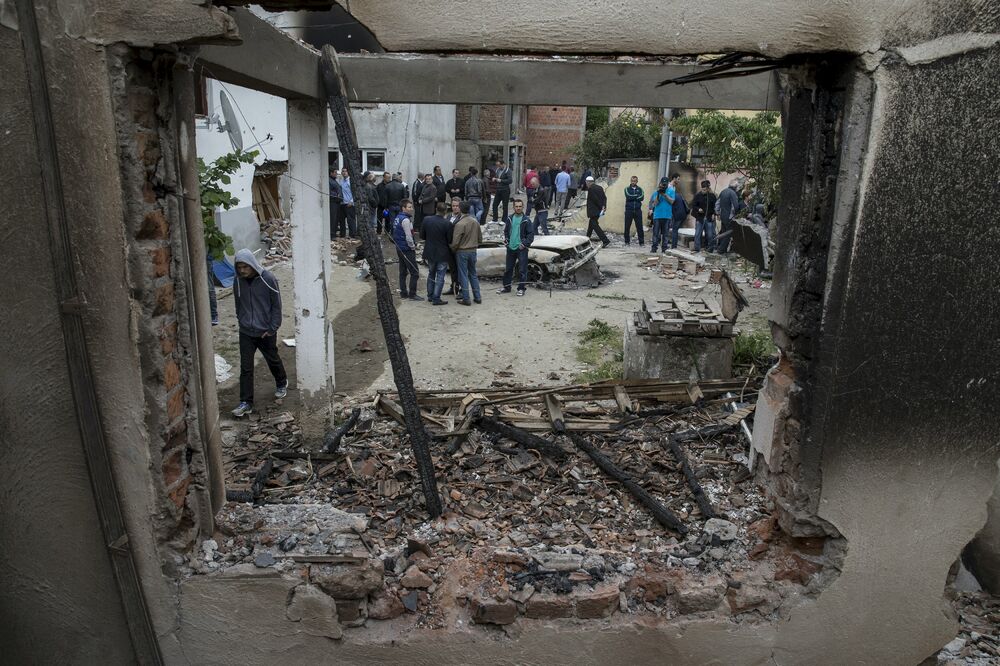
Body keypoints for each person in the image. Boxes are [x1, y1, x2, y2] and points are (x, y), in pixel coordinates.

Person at [231, 248, 287, 417]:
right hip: (246, 332)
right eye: (239, 267)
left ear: (252, 265)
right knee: (246, 368)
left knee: (272, 359)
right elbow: (238, 303)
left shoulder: (268, 279)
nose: (242, 270)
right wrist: (242, 321)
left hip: (266, 332)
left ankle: (281, 382)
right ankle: (246, 402)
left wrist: (272, 328)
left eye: (245, 267)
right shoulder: (238, 281)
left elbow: (276, 305)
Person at [497, 198, 533, 296]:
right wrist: (507, 241)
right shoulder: (509, 218)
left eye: (520, 206)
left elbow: (530, 235)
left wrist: (524, 244)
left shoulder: (526, 220)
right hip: (510, 248)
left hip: (521, 249)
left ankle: (521, 288)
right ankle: (506, 287)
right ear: (513, 207)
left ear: (523, 207)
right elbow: (506, 231)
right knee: (508, 269)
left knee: (522, 270)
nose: (518, 208)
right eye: (516, 206)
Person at [450, 200, 483, 306]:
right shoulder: (475, 221)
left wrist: (453, 249)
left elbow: (455, 242)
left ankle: (466, 298)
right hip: (473, 251)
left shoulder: (460, 224)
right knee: (473, 274)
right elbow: (480, 239)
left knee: (463, 275)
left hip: (462, 251)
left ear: (460, 209)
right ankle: (477, 297)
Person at [421, 201, 453, 305]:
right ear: (445, 212)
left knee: (431, 273)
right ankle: (436, 298)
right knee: (440, 276)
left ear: (436, 209)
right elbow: (450, 240)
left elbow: (422, 236)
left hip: (430, 251)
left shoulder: (427, 220)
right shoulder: (448, 224)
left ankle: (430, 295)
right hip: (442, 253)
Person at [391, 199, 422, 300]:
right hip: (406, 249)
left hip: (399, 248)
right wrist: (413, 247)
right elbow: (408, 236)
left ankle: (403, 293)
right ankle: (412, 294)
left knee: (403, 271)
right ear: (403, 208)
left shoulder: (397, 218)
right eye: (409, 207)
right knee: (415, 272)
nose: (411, 209)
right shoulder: (405, 220)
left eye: (411, 207)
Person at [717, 179, 744, 254]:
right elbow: (735, 206)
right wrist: (736, 215)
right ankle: (721, 249)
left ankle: (720, 247)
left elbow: (717, 203)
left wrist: (717, 213)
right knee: (728, 233)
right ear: (735, 186)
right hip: (729, 217)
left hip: (723, 216)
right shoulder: (733, 193)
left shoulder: (723, 191)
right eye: (738, 186)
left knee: (723, 231)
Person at [648, 176, 673, 253]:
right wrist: (659, 194)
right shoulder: (656, 192)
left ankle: (664, 248)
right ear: (660, 183)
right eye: (663, 184)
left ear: (668, 184)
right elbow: (654, 204)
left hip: (667, 215)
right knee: (656, 233)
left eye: (665, 184)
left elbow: (672, 202)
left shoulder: (671, 191)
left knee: (665, 234)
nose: (664, 185)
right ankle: (654, 248)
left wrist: (665, 195)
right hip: (657, 215)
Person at [691, 179, 717, 253]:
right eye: (703, 189)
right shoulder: (698, 196)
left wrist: (714, 214)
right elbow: (694, 205)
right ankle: (697, 248)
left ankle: (710, 248)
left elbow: (715, 206)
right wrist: (698, 209)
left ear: (708, 189)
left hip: (709, 218)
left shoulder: (712, 196)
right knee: (697, 234)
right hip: (700, 218)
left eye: (705, 189)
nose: (704, 191)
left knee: (710, 234)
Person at [584, 176, 610, 247]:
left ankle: (605, 240)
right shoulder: (599, 188)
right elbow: (604, 198)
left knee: (595, 226)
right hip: (599, 210)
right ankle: (586, 240)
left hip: (593, 211)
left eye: (586, 182)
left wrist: (600, 207)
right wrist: (604, 206)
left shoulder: (591, 189)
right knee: (591, 225)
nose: (586, 184)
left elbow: (595, 200)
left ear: (589, 182)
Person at [668, 175, 689, 250]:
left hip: (676, 213)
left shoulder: (673, 189)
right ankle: (671, 245)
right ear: (674, 179)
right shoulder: (670, 188)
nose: (679, 181)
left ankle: (673, 246)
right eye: (678, 179)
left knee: (674, 229)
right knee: (673, 229)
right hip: (677, 213)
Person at [623, 175, 645, 246]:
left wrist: (634, 197)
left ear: (637, 181)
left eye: (635, 181)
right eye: (632, 181)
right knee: (627, 226)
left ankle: (641, 242)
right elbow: (628, 196)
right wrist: (636, 196)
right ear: (630, 181)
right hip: (629, 210)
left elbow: (642, 197)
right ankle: (627, 242)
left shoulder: (640, 189)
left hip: (638, 210)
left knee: (639, 227)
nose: (633, 182)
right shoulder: (626, 189)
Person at [338, 167, 357, 238]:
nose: (344, 173)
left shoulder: (350, 181)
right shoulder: (342, 181)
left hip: (350, 204)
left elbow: (355, 193)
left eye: (345, 171)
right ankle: (342, 235)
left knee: (351, 220)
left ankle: (352, 235)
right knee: (342, 220)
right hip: (343, 203)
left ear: (348, 172)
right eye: (342, 171)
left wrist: (351, 202)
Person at [328, 167, 343, 240]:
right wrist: (336, 195)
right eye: (335, 172)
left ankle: (334, 233)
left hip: (337, 202)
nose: (336, 174)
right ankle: (332, 234)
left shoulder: (334, 180)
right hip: (333, 202)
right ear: (331, 173)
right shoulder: (329, 180)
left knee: (336, 218)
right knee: (333, 219)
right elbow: (329, 191)